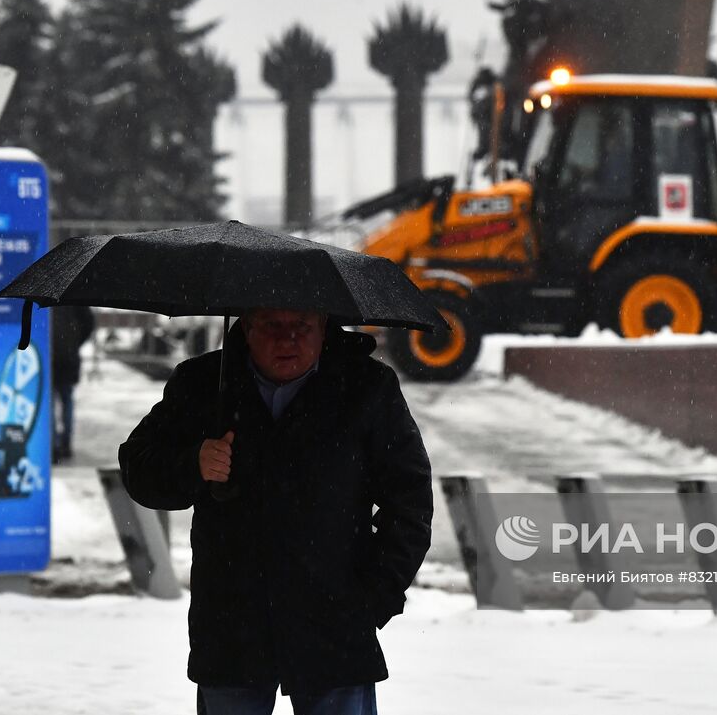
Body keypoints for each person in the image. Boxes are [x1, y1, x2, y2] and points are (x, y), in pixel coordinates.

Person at [118, 307, 433, 715]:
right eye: (272, 326)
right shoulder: (203, 384)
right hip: (232, 624)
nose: (288, 339)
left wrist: (376, 595)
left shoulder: (365, 387)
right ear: (246, 327)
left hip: (335, 624)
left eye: (302, 325)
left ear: (323, 327)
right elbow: (138, 466)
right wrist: (192, 463)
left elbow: (409, 501)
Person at [51, 303, 96, 463]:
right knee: (67, 400)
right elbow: (89, 322)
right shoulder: (73, 294)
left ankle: (54, 446)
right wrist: (74, 340)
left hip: (50, 353)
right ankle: (65, 444)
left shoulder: (43, 291)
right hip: (69, 354)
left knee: (51, 403)